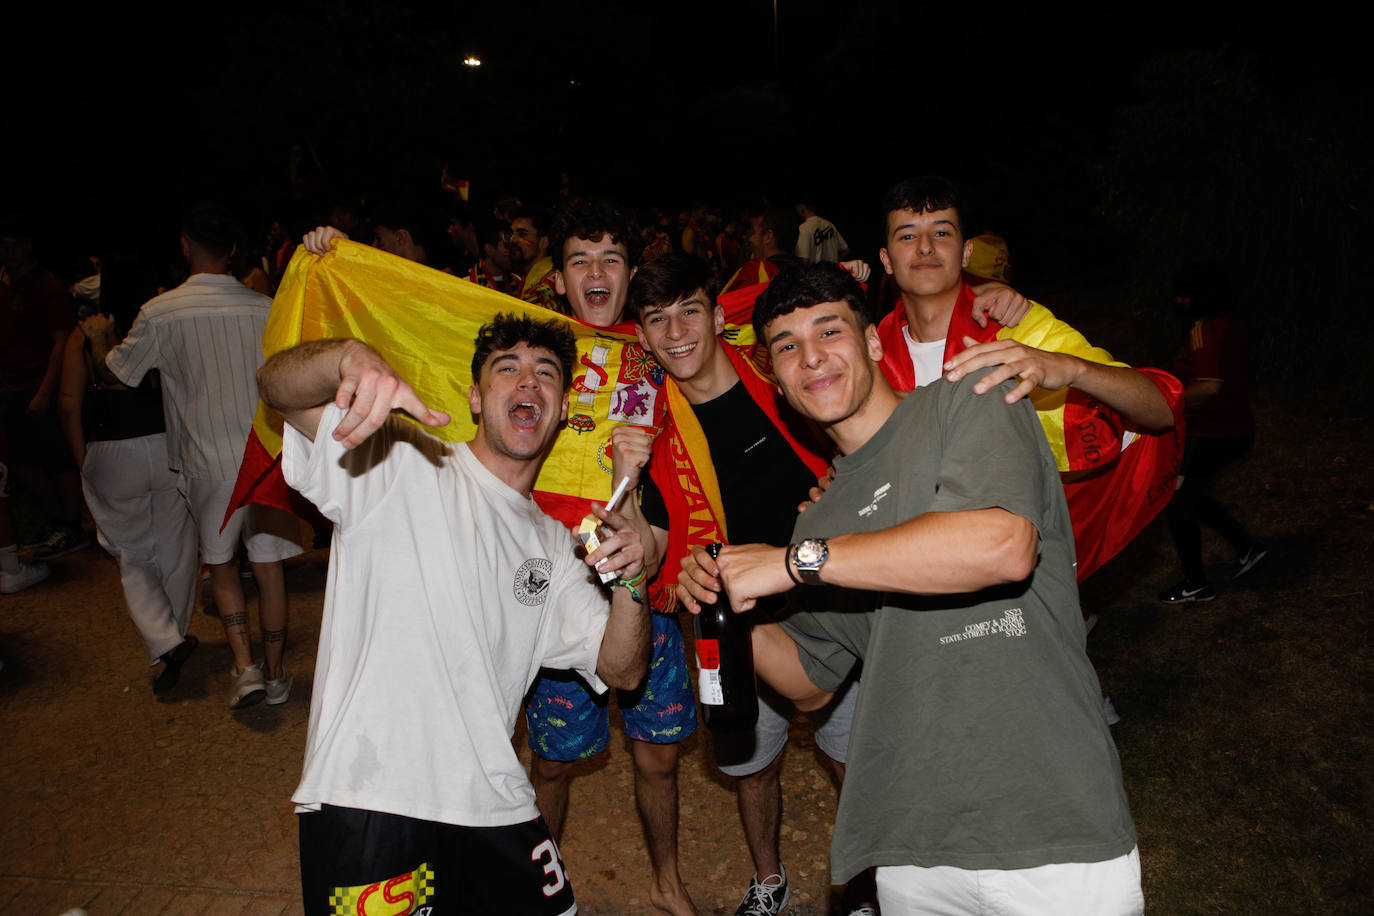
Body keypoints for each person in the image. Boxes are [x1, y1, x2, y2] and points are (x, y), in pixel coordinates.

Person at [681, 263, 1143, 915]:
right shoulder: (823, 515)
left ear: (873, 342)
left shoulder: (969, 400)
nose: (810, 356)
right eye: (785, 346)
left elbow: (1000, 545)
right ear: (778, 384)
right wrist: (716, 603)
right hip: (913, 849)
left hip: (1052, 827)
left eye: (828, 330)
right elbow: (811, 680)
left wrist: (793, 562)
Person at [259, 314, 651, 916]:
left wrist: (631, 578)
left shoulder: (557, 545)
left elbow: (622, 670)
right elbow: (276, 386)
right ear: (473, 396)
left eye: (545, 373)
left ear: (563, 404)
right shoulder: (397, 460)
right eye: (507, 369)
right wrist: (347, 357)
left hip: (495, 801)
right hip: (371, 796)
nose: (528, 383)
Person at [625, 252, 850, 916]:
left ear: (720, 316)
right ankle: (769, 878)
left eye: (690, 310)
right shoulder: (654, 429)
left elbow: (855, 435)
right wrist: (639, 539)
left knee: (849, 758)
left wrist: (842, 490)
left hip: (832, 597)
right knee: (753, 766)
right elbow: (658, 538)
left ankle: (865, 882)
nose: (676, 332)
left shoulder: (780, 376)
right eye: (657, 319)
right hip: (739, 623)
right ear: (640, 334)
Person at [522, 200, 703, 916]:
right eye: (579, 259)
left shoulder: (660, 347)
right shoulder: (530, 358)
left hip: (645, 591)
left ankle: (666, 881)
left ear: (630, 274)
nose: (597, 272)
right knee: (555, 764)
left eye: (612, 258)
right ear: (559, 278)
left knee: (659, 756)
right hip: (558, 600)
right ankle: (543, 883)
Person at [88, 203, 302, 710]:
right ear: (233, 249)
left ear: (185, 246)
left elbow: (116, 377)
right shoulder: (264, 307)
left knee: (223, 566)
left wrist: (99, 341)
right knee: (269, 567)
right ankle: (275, 674)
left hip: (206, 459)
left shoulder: (161, 312)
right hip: (265, 456)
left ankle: (244, 667)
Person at [60, 255, 200, 694]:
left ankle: (166, 644)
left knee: (132, 553)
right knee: (176, 549)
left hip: (111, 450)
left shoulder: (81, 339)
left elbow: (68, 404)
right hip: (164, 446)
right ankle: (172, 636)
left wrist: (84, 460)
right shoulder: (161, 327)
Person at [1158, 261, 1266, 603]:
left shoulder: (1204, 330)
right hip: (1235, 429)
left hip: (1212, 434)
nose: (1178, 303)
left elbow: (1209, 386)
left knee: (1178, 501)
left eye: (1183, 296)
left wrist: (1164, 402)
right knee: (1193, 495)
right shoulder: (1233, 324)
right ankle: (1247, 547)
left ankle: (1196, 584)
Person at [793, 200, 850, 264]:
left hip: (816, 272)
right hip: (833, 272)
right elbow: (845, 250)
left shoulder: (805, 227)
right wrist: (835, 263)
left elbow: (804, 259)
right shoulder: (829, 224)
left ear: (801, 208)